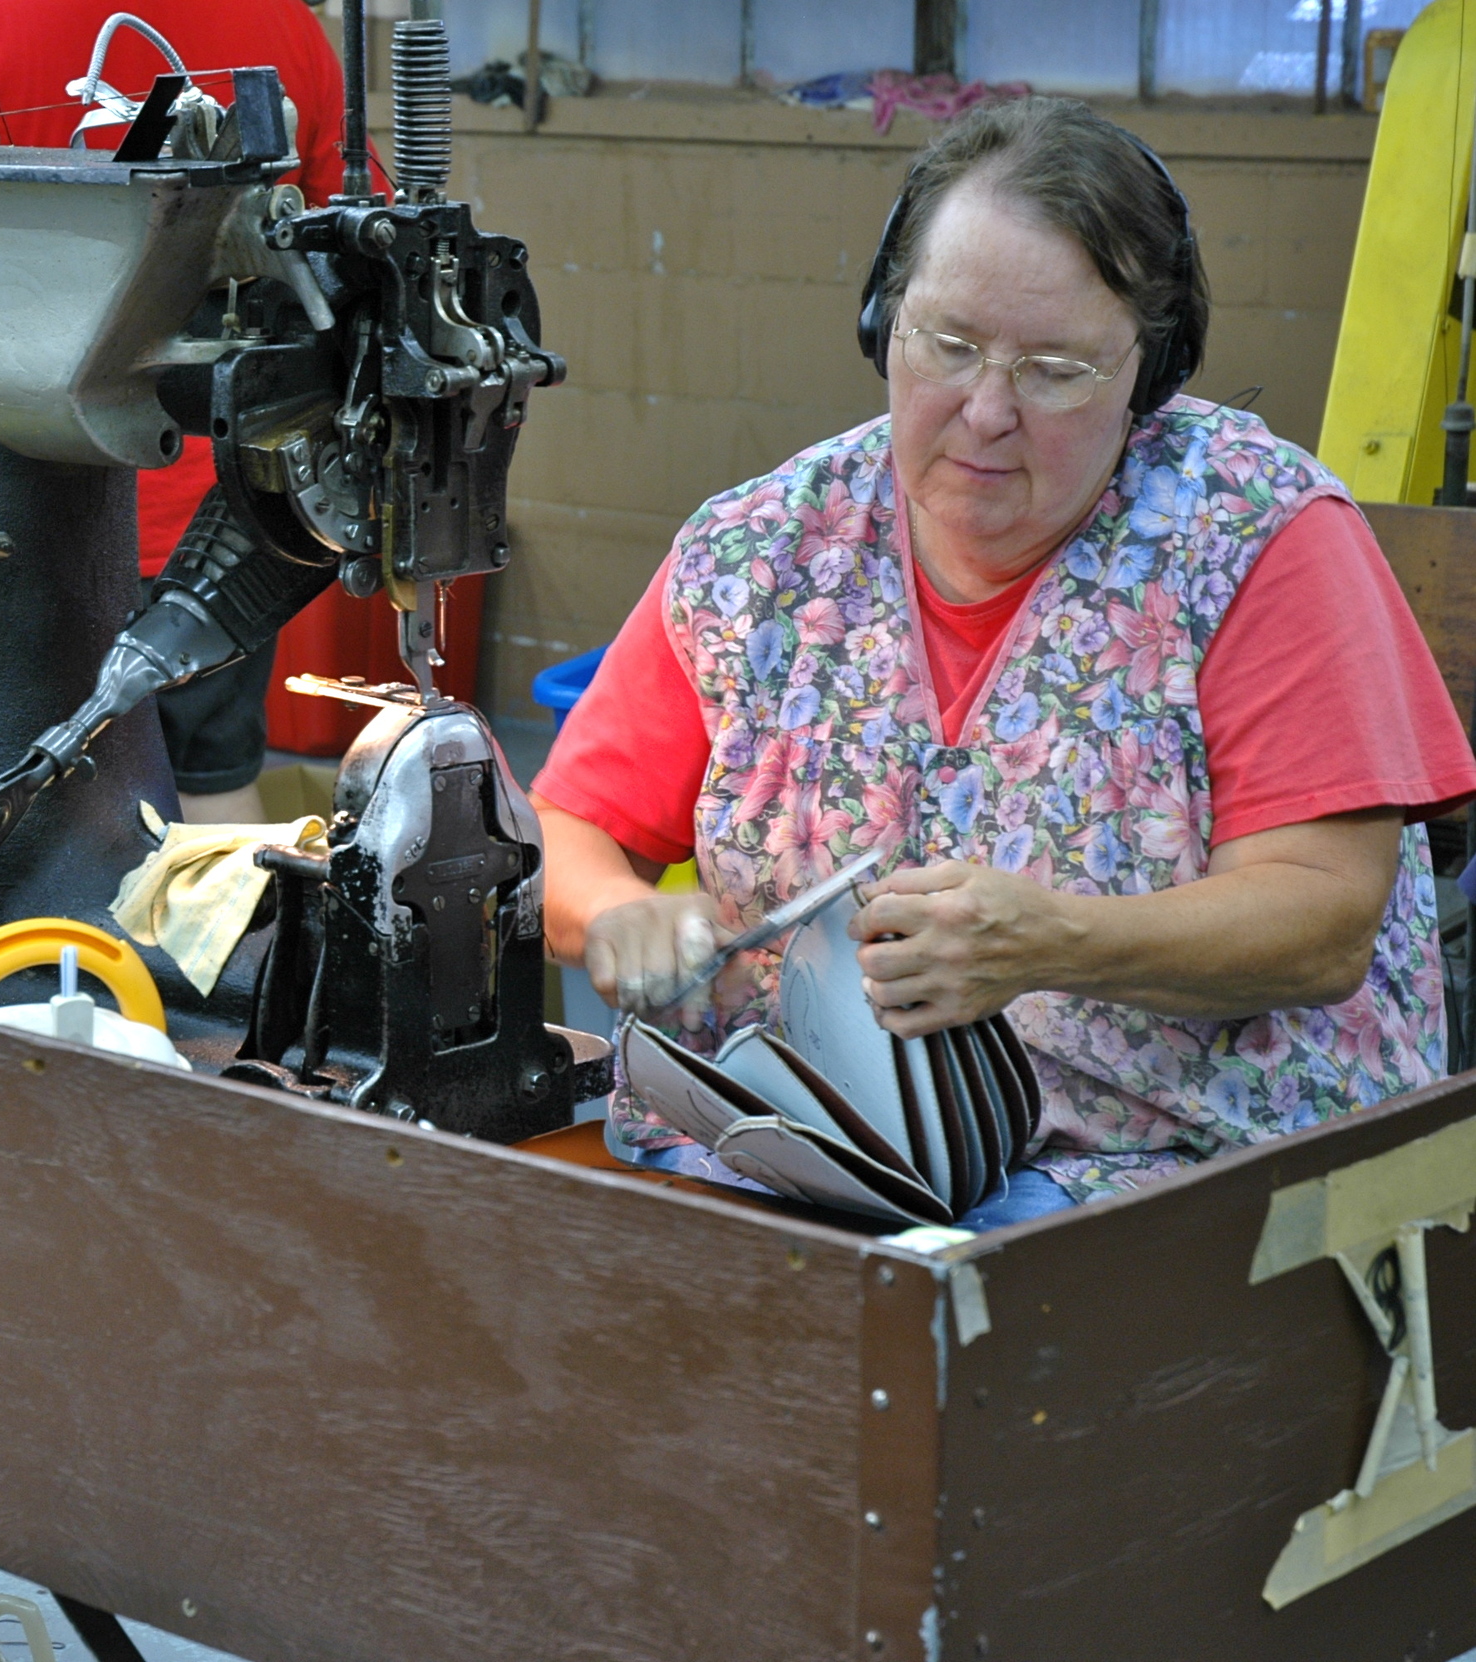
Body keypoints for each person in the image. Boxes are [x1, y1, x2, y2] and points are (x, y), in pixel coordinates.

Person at [531, 96, 1476, 1221]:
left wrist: (1051, 941)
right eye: (950, 345)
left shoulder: (1253, 533)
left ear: (1148, 375)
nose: (984, 410)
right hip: (816, 1161)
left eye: (1055, 370)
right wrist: (615, 916)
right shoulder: (768, 548)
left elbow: (1322, 921)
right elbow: (566, 833)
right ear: (884, 320)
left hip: (1181, 1187)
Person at [0, 0, 380, 823]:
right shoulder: (284, 24)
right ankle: (224, 950)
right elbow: (360, 242)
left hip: (14, 497)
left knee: (2, 793)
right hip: (216, 515)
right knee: (212, 788)